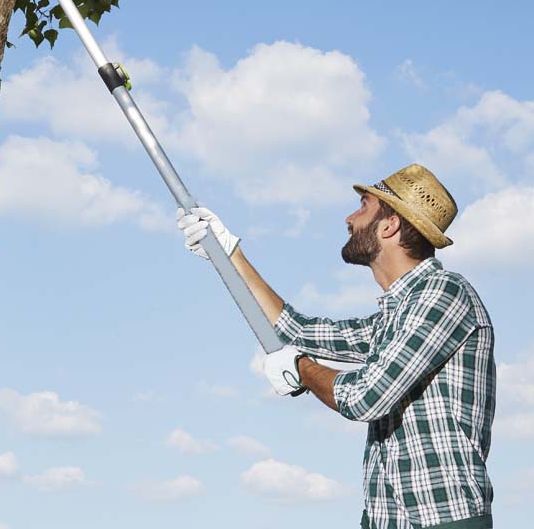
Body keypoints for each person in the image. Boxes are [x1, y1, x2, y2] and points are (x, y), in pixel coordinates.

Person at [177, 163, 496, 529]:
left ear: (389, 226)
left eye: (363, 206)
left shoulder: (444, 294)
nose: (349, 217)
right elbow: (296, 329)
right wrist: (228, 254)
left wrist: (300, 370)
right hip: (385, 519)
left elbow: (365, 397)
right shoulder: (396, 315)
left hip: (442, 520)